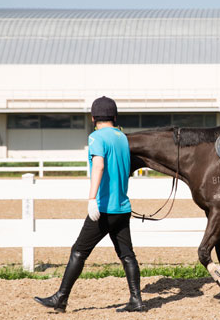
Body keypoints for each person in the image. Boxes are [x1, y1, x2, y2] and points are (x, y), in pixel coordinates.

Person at [34, 96, 145, 313]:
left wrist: (92, 198)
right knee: (127, 255)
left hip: (104, 208)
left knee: (78, 251)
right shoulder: (123, 138)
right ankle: (136, 300)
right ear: (114, 116)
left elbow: (99, 166)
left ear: (93, 117)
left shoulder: (96, 137)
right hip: (123, 207)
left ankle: (61, 298)